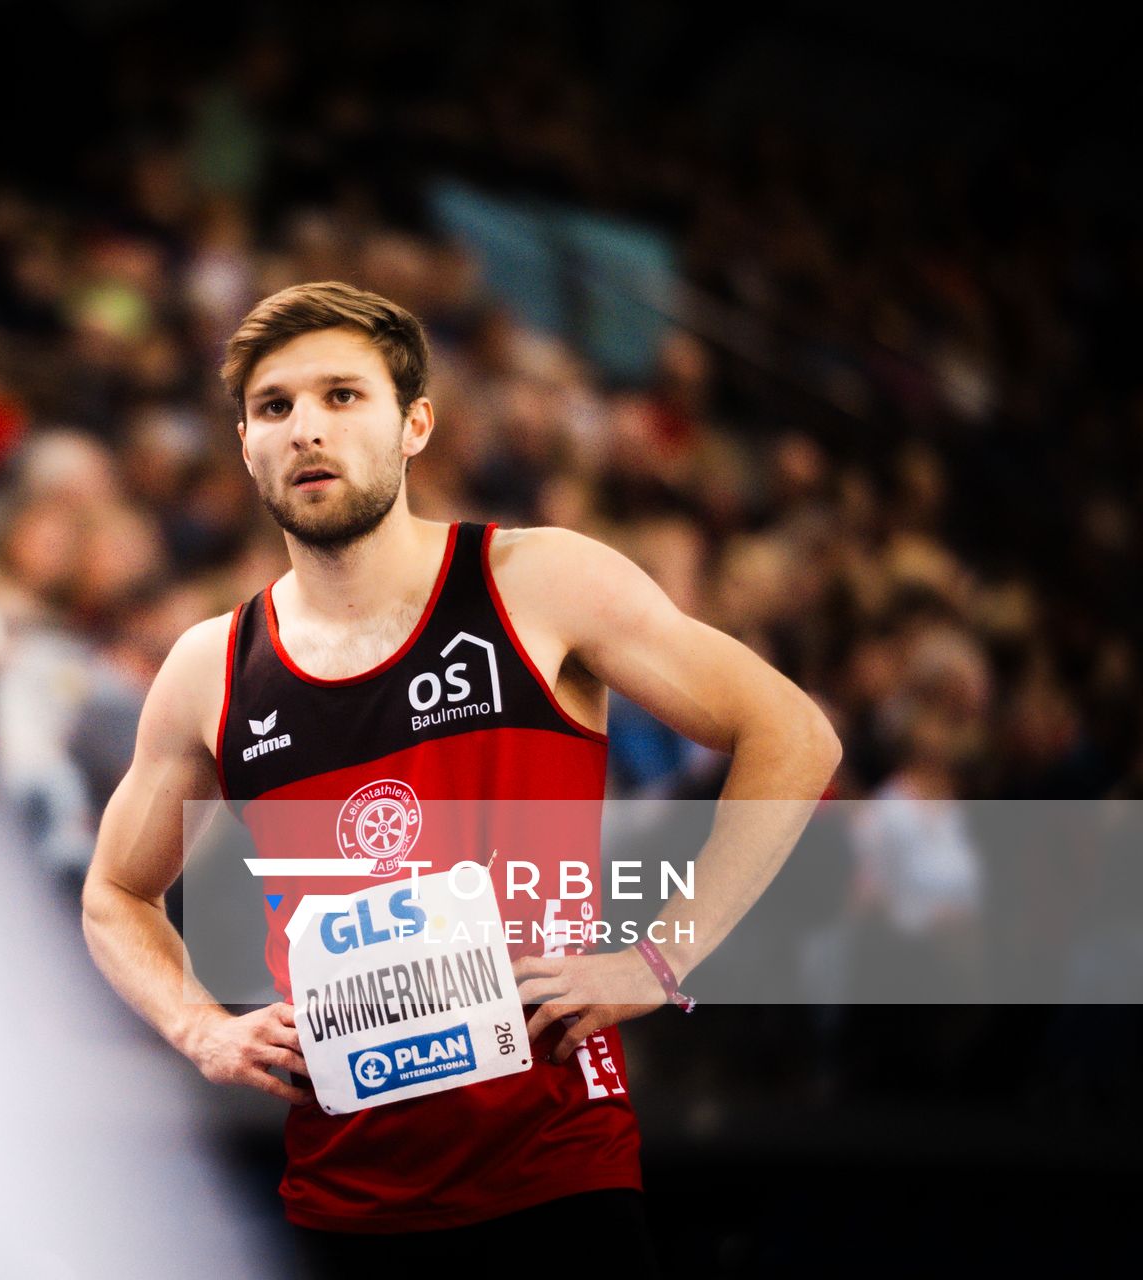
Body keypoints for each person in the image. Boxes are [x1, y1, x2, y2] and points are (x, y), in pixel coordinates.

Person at [80, 282, 840, 1274]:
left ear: (415, 424)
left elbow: (792, 732)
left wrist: (662, 958)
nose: (306, 427)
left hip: (555, 1179)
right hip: (341, 1200)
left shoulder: (538, 582)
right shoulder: (208, 669)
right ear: (245, 445)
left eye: (343, 396)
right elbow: (113, 893)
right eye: (275, 407)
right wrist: (199, 1027)